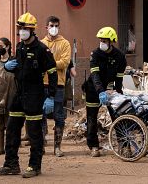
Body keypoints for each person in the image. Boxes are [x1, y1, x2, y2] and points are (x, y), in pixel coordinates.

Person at [0, 12, 57, 178]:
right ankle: (11, 164)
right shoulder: (20, 47)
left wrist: (51, 96)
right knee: (12, 130)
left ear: (32, 30)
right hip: (19, 93)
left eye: (25, 28)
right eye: (20, 28)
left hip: (35, 95)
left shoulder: (42, 49)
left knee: (34, 133)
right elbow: (19, 67)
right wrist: (9, 67)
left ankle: (34, 166)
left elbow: (52, 72)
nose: (21, 31)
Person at [82, 27, 127, 157]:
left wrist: (118, 93)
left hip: (110, 90)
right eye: (100, 40)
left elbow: (119, 77)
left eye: (104, 40)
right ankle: (94, 146)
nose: (101, 42)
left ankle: (124, 145)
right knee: (91, 118)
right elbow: (95, 75)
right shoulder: (95, 54)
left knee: (117, 116)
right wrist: (101, 92)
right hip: (93, 89)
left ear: (111, 41)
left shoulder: (119, 56)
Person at [41, 16, 71, 157]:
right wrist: (51, 64)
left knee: (59, 116)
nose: (54, 28)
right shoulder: (41, 43)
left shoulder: (64, 43)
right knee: (39, 115)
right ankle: (40, 144)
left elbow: (64, 62)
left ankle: (57, 147)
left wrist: (48, 64)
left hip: (58, 84)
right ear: (46, 27)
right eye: (51, 25)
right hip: (42, 84)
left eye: (56, 25)